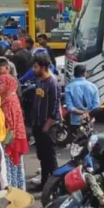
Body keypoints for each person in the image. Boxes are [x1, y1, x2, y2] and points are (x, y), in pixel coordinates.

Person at [29, 53, 61, 187]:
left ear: (43, 67)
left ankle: (55, 185)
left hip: (47, 127)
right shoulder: (39, 81)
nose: (33, 70)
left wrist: (46, 127)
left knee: (50, 157)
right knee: (42, 156)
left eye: (35, 67)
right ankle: (44, 183)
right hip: (38, 125)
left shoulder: (53, 83)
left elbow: (54, 109)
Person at [0, 73, 28, 190]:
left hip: (10, 140)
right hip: (13, 138)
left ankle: (13, 191)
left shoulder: (9, 102)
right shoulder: (8, 98)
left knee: (10, 166)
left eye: (1, 83)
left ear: (8, 85)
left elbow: (10, 124)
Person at [65, 63, 99, 132]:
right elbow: (96, 107)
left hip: (75, 122)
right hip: (89, 121)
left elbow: (70, 107)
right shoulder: (93, 87)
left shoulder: (69, 87)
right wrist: (87, 113)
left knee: (76, 141)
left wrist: (83, 112)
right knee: (90, 140)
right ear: (84, 73)